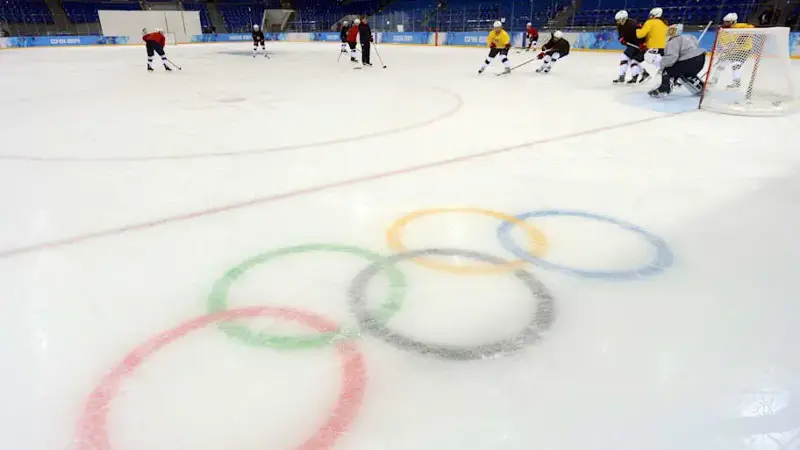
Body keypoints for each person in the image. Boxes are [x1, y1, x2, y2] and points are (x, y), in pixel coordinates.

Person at [648, 24, 706, 97]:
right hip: (701, 59)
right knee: (686, 74)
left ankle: (664, 89)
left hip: (689, 61)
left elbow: (671, 58)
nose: (669, 33)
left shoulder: (672, 41)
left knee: (667, 71)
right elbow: (696, 46)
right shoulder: (689, 37)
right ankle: (701, 87)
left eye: (671, 31)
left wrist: (662, 65)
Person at [708, 13, 755, 89]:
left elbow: (752, 27)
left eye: (727, 21)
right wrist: (726, 50)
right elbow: (725, 44)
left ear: (733, 22)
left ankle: (736, 83)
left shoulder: (739, 26)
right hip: (732, 51)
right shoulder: (723, 31)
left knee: (736, 65)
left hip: (744, 50)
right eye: (725, 21)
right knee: (721, 65)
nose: (725, 23)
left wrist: (744, 35)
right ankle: (713, 81)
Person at [613, 10, 650, 84]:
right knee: (632, 61)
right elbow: (621, 36)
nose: (617, 21)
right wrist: (621, 39)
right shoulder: (620, 26)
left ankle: (623, 77)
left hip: (638, 45)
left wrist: (643, 43)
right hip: (632, 45)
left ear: (624, 18)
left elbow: (642, 34)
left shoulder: (633, 24)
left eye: (618, 20)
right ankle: (640, 75)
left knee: (625, 58)